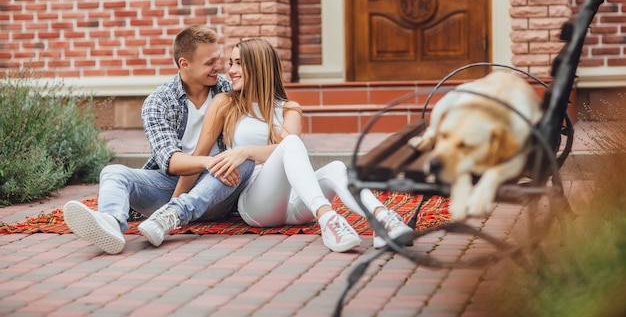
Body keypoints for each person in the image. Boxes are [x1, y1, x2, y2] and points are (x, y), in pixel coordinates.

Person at [173, 38, 414, 252]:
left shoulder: (289, 109)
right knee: (290, 143)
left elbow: (289, 147)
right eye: (231, 64)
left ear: (258, 66)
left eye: (238, 63)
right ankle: (328, 218)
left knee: (336, 167)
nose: (231, 71)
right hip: (257, 204)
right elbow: (200, 153)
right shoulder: (226, 103)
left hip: (298, 205)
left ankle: (384, 221)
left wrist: (245, 151)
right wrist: (174, 204)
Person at [63, 25, 254, 254]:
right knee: (112, 172)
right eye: (210, 62)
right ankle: (111, 224)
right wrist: (208, 161)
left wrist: (218, 164)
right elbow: (171, 162)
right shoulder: (159, 102)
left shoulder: (229, 90)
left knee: (241, 159)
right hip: (170, 187)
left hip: (219, 188)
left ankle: (172, 215)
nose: (220, 67)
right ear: (185, 64)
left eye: (219, 59)